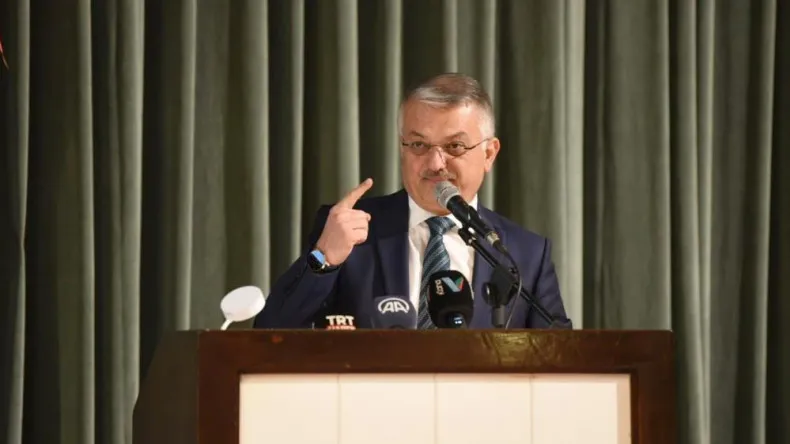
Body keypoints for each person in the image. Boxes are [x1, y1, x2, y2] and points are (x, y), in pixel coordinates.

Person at [253, 73, 571, 329]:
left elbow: (561, 358)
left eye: (454, 147)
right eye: (418, 144)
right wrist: (323, 259)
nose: (435, 163)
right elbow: (269, 334)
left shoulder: (524, 254)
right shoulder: (348, 232)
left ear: (489, 153)